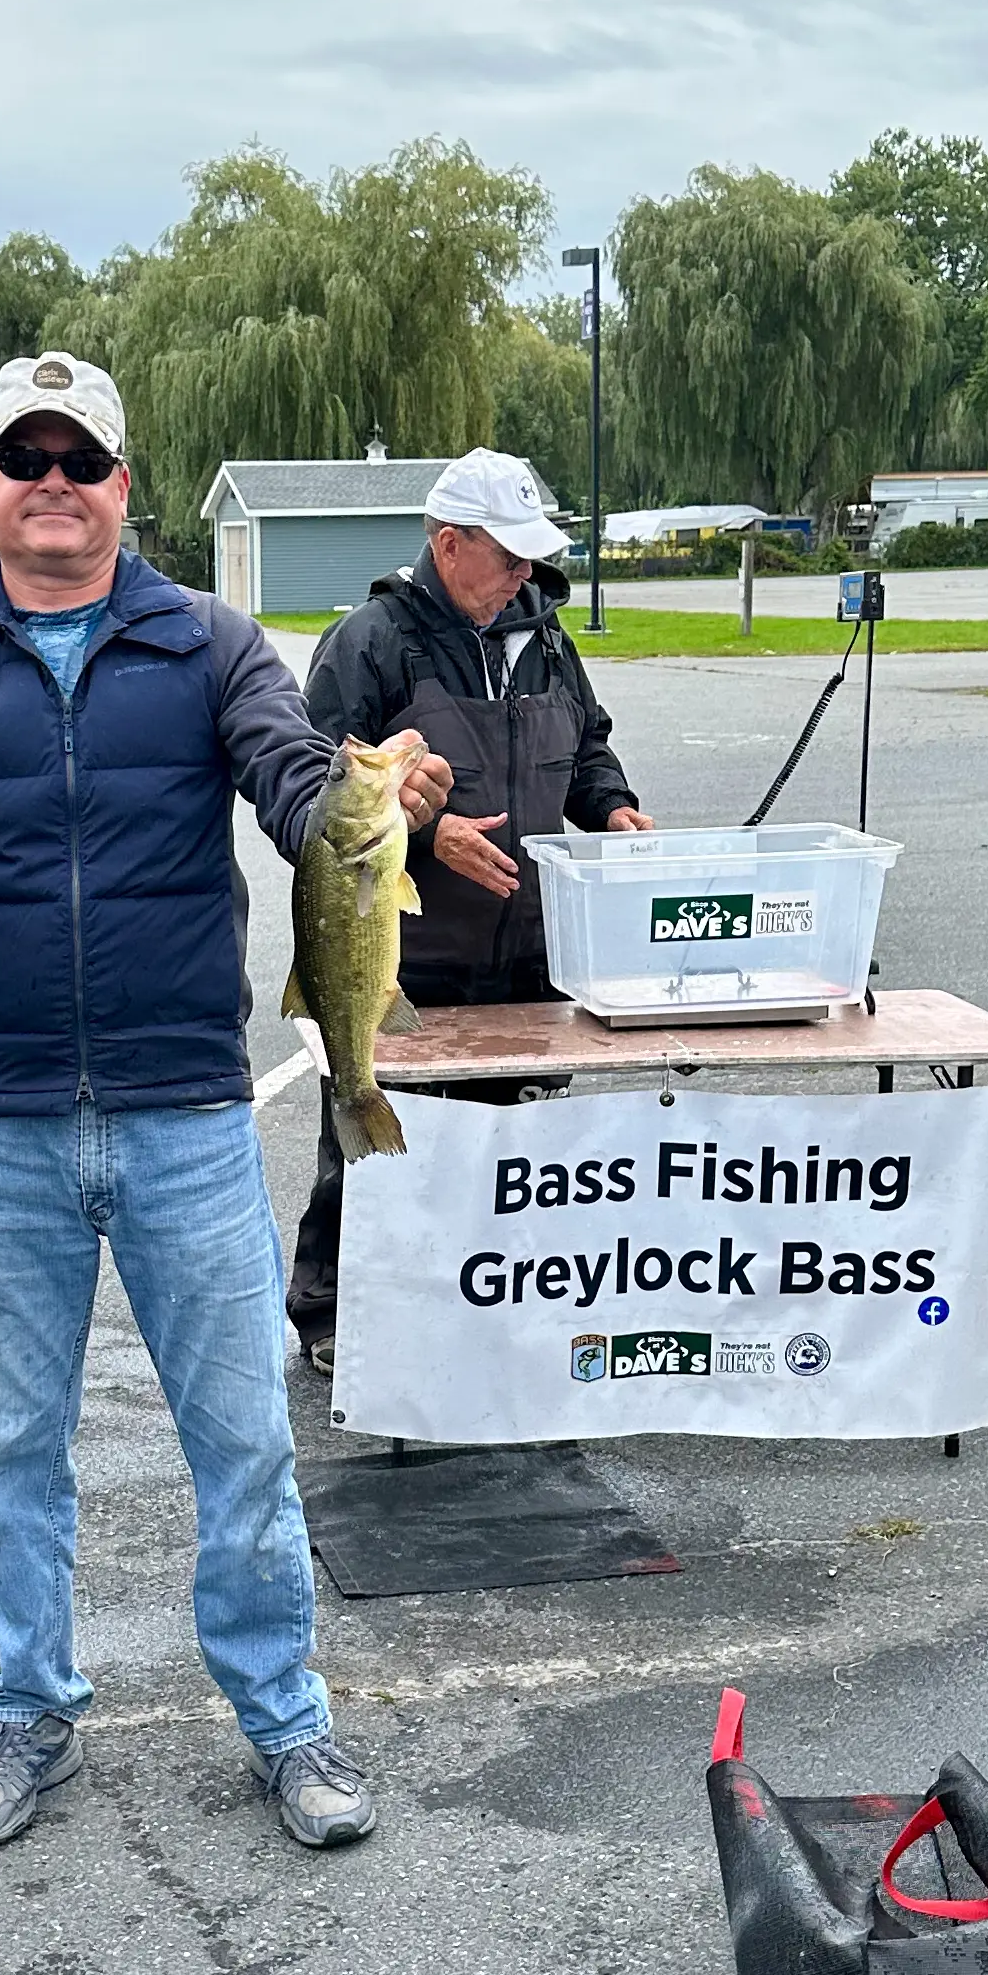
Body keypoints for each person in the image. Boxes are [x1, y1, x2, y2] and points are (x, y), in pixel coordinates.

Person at [0, 353, 452, 1850]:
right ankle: (27, 1715)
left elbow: (287, 783)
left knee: (243, 1434)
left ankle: (286, 1721)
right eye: (24, 456)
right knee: (6, 1445)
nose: (51, 482)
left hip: (185, 1109)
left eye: (80, 459)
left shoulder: (210, 643)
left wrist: (366, 796)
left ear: (122, 486)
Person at [286, 447, 651, 1371]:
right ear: (449, 546)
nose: (526, 573)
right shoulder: (368, 642)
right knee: (371, 1150)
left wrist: (611, 806)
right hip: (402, 961)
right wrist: (429, 826)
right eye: (509, 555)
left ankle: (497, 1309)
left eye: (532, 555)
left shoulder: (548, 639)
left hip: (528, 967)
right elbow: (310, 784)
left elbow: (588, 743)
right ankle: (331, 1307)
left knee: (519, 1158)